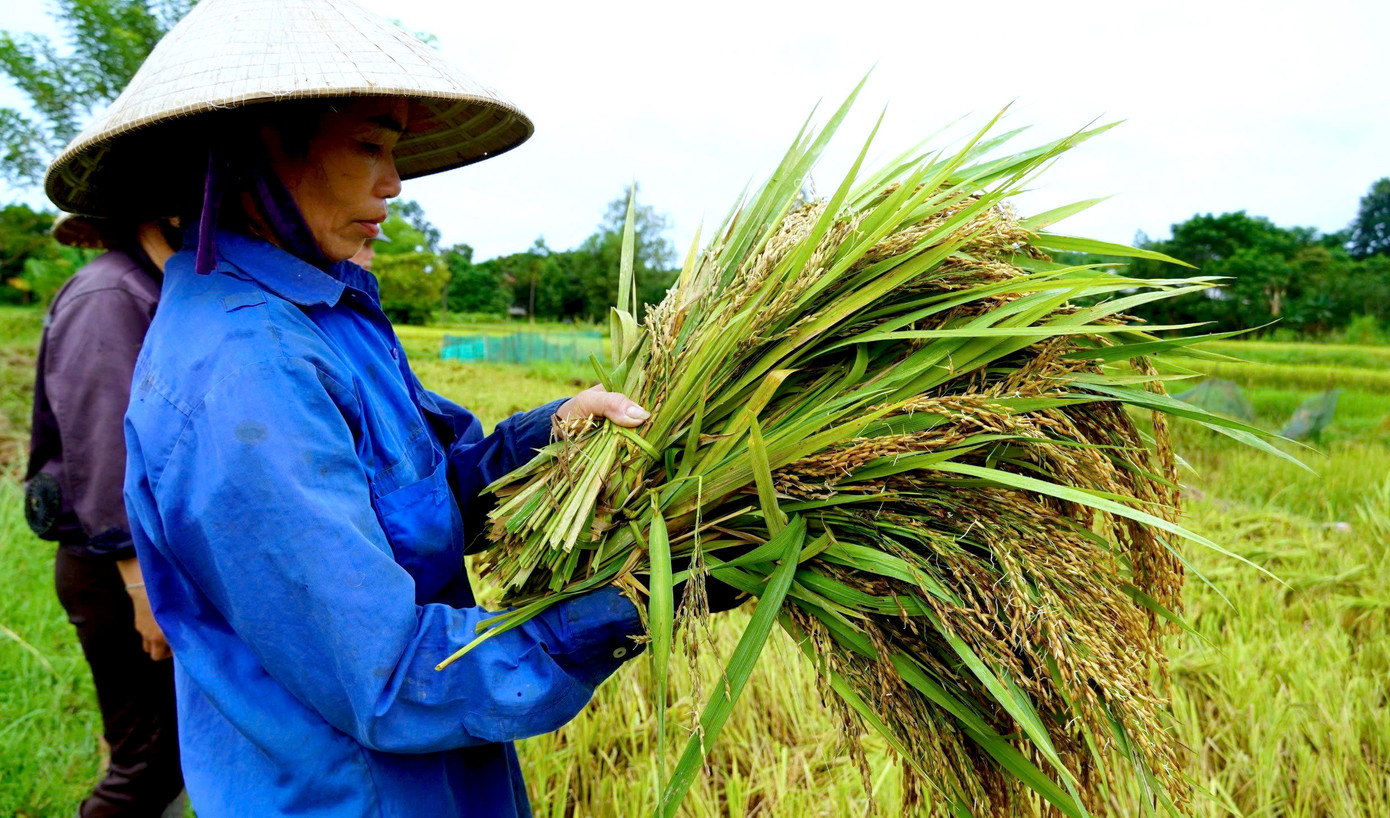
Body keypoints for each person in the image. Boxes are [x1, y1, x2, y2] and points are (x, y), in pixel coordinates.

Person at [42, 1, 706, 815]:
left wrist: (558, 436)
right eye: (370, 146)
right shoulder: (243, 370)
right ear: (262, 147)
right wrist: (630, 600)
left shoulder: (324, 317)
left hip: (432, 782)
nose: (394, 183)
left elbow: (423, 501)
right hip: (350, 793)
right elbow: (386, 676)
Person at [25, 213, 186, 818]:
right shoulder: (112, 292)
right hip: (118, 568)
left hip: (149, 562)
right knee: (146, 762)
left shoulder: (161, 286)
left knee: (171, 750)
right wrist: (141, 583)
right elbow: (104, 444)